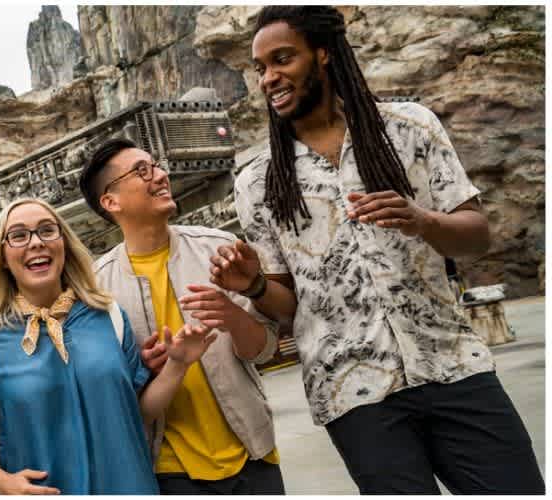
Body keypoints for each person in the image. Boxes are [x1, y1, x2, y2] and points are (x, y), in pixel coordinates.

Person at [217, 5, 545, 494]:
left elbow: (477, 235)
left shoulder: (410, 128)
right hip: (354, 396)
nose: (268, 78)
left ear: (323, 54)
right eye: (260, 68)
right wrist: (256, 285)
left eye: (282, 59)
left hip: (454, 365)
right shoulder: (258, 182)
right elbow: (287, 309)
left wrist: (423, 221)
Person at [0, 198, 217, 495]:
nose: (36, 242)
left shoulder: (111, 317)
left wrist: (178, 365)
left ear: (63, 243)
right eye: (19, 235)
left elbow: (136, 413)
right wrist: (0, 482)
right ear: (2, 256)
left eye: (47, 230)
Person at [79, 139, 285, 495]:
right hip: (169, 471)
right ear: (111, 202)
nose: (161, 175)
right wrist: (142, 368)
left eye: (156, 166)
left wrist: (232, 316)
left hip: (252, 454)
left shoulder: (218, 249)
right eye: (142, 171)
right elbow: (112, 402)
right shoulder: (97, 290)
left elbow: (264, 351)